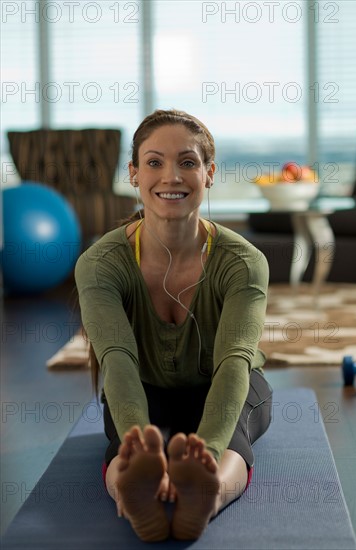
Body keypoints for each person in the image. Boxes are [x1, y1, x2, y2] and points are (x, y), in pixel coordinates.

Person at [75, 109, 273, 542]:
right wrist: (134, 442)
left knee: (234, 434)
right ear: (132, 173)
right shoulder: (100, 265)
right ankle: (133, 493)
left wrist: (208, 452)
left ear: (209, 174)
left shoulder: (243, 262)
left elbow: (234, 364)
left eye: (187, 162)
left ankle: (208, 493)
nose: (171, 176)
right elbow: (119, 361)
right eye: (154, 162)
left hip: (222, 385)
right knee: (130, 449)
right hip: (142, 386)